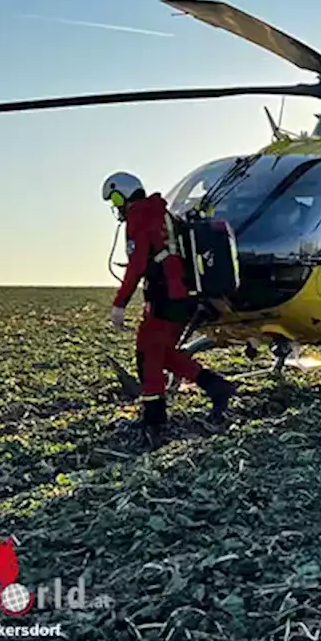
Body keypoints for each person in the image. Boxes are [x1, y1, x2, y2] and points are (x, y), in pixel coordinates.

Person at [102, 171, 236, 446]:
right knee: (163, 354)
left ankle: (155, 420)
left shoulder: (139, 217)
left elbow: (138, 264)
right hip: (183, 295)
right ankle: (216, 386)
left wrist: (120, 304)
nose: (116, 206)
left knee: (148, 354)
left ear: (125, 195)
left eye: (116, 199)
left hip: (165, 295)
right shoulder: (160, 212)